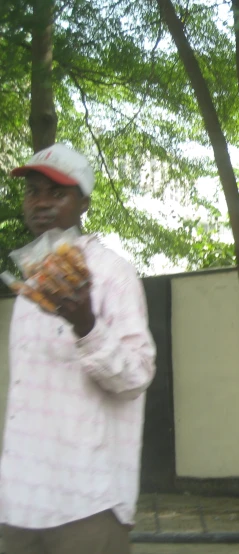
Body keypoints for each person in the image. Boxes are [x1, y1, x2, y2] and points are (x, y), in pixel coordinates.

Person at [0, 143, 156, 554]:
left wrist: (87, 325)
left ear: (83, 202)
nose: (42, 204)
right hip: (19, 507)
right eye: (34, 192)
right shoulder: (29, 287)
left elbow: (136, 377)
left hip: (86, 502)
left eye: (58, 193)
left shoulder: (112, 275)